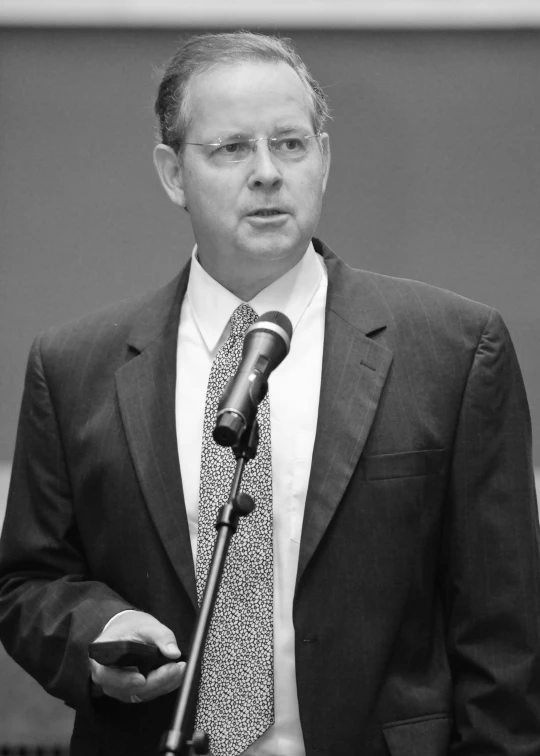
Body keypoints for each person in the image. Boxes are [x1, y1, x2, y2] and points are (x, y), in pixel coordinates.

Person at [0, 30, 539, 756]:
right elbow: (30, 580)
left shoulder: (453, 349)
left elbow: (504, 631)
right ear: (172, 173)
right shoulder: (74, 367)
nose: (267, 174)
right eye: (230, 149)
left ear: (324, 159)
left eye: (291, 144)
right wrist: (99, 629)